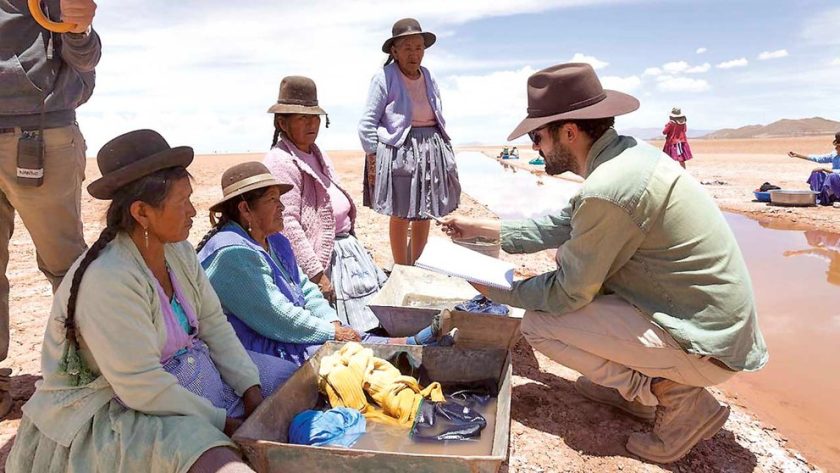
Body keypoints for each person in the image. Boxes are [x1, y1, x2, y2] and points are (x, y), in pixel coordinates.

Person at [439, 63, 768, 464]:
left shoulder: (609, 187)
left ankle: (671, 395)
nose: (535, 148)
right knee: (571, 257)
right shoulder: (627, 159)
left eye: (537, 136)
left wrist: (502, 290)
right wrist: (481, 227)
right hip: (708, 324)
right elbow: (561, 224)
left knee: (539, 323)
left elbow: (568, 293)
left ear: (569, 131)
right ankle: (637, 386)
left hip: (704, 343)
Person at [6, 131, 297, 473]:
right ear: (142, 212)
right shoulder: (109, 279)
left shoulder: (179, 251)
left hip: (182, 370)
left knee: (289, 383)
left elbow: (214, 325)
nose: (192, 211)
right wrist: (228, 425)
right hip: (112, 404)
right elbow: (142, 387)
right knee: (211, 455)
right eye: (182, 202)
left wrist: (251, 391)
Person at [196, 162, 455, 367]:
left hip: (281, 331)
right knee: (334, 356)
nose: (281, 207)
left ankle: (404, 346)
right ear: (245, 209)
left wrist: (333, 323)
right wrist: (331, 333)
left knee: (344, 338)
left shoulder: (274, 240)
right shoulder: (231, 254)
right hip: (255, 342)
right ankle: (403, 350)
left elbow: (305, 289)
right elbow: (276, 316)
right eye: (272, 201)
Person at [0, 0, 100, 419]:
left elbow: (85, 57)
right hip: (39, 133)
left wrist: (78, 30)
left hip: (41, 134)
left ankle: (84, 370)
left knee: (64, 264)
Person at [263, 76, 383, 332]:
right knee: (345, 333)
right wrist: (317, 274)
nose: (312, 123)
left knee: (372, 326)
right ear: (282, 122)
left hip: (347, 254)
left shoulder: (317, 153)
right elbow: (288, 224)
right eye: (302, 118)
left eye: (315, 117)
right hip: (324, 263)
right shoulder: (280, 162)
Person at [358, 18, 461, 266]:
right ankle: (402, 267)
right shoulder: (384, 78)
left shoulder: (429, 76)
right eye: (407, 48)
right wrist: (376, 157)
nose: (414, 54)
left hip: (431, 147)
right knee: (401, 212)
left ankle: (417, 264)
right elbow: (367, 124)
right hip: (400, 150)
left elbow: (437, 112)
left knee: (425, 212)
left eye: (418, 47)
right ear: (394, 51)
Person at [788, 131, 840, 205]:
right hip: (835, 183)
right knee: (817, 173)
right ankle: (821, 197)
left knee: (833, 176)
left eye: (838, 146)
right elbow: (819, 158)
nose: (836, 148)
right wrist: (798, 155)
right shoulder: (834, 154)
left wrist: (824, 169)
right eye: (836, 146)